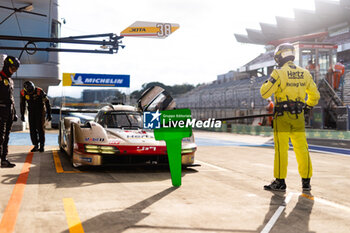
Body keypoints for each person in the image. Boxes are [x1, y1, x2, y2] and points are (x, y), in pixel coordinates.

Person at [260, 43, 320, 192]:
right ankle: (306, 182)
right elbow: (315, 96)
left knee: (281, 150)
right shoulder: (305, 73)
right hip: (298, 117)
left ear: (280, 56)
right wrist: (307, 106)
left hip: (282, 117)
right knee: (302, 149)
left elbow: (265, 93)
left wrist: (269, 79)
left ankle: (280, 181)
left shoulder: (278, 73)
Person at [20, 81, 52, 152]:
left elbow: (47, 102)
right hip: (31, 111)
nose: (31, 92)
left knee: (40, 127)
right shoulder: (23, 93)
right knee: (32, 129)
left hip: (40, 111)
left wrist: (49, 114)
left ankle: (42, 145)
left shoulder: (39, 91)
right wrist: (22, 114)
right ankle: (36, 145)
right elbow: (22, 104)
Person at [0, 56, 20, 168]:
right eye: (12, 68)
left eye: (15, 69)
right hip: (1, 110)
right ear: (7, 66)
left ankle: (4, 159)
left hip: (9, 112)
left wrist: (14, 112)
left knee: (6, 137)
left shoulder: (10, 81)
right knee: (0, 137)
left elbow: (11, 98)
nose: (13, 71)